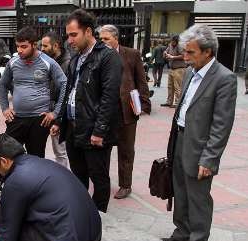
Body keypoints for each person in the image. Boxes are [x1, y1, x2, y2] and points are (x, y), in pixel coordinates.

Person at [162, 25, 237, 241]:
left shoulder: (224, 79)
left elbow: (221, 125)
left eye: (190, 53)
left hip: (200, 148)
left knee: (198, 197)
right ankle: (182, 233)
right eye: (185, 52)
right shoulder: (189, 72)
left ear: (208, 52)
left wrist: (210, 158)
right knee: (181, 191)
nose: (185, 57)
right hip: (180, 140)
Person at [51, 9, 122, 213]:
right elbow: (69, 93)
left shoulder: (108, 57)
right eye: (68, 35)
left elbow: (109, 97)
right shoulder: (75, 59)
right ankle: (82, 215)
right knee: (78, 176)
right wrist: (59, 121)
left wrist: (100, 131)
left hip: (94, 131)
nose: (70, 40)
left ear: (88, 32)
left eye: (74, 35)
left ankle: (100, 219)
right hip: (74, 128)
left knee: (99, 178)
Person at [0, 26, 67, 158]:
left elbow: (65, 85)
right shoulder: (13, 63)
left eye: (24, 47)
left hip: (39, 120)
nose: (19, 50)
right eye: (17, 46)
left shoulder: (48, 62)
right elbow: (2, 85)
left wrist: (56, 113)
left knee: (36, 159)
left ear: (34, 45)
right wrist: (5, 108)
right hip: (16, 118)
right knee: (7, 156)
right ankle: (9, 179)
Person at [99, 25, 151, 199]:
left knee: (126, 150)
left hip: (126, 110)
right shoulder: (98, 55)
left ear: (116, 38)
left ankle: (125, 184)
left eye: (106, 39)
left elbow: (141, 80)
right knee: (102, 148)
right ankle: (101, 181)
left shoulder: (131, 54)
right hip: (104, 111)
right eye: (101, 39)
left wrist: (143, 104)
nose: (103, 42)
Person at [41, 31, 70, 168]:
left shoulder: (67, 64)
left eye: (45, 46)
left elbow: (67, 94)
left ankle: (63, 182)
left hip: (58, 114)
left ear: (56, 46)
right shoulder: (46, 62)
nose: (42, 49)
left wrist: (58, 120)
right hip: (44, 113)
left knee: (60, 152)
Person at [161, 35, 187, 108]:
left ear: (177, 41)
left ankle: (177, 102)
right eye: (171, 41)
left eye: (173, 41)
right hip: (171, 68)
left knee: (177, 86)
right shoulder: (170, 45)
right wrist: (165, 53)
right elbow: (166, 51)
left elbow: (184, 56)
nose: (172, 42)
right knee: (170, 86)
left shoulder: (180, 46)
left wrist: (173, 57)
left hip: (179, 69)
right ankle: (169, 101)